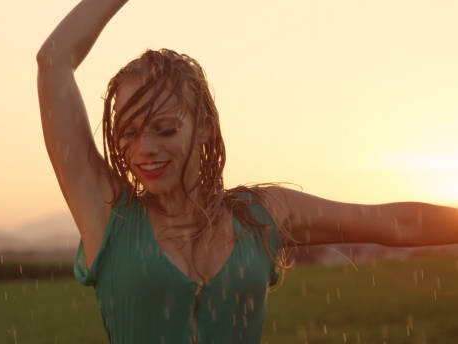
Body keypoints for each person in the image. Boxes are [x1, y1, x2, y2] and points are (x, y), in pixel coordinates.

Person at [36, 1, 458, 343]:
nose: (145, 149)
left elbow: (395, 222)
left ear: (203, 126)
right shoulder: (108, 214)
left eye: (165, 128)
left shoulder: (261, 215)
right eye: (128, 132)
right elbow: (53, 60)